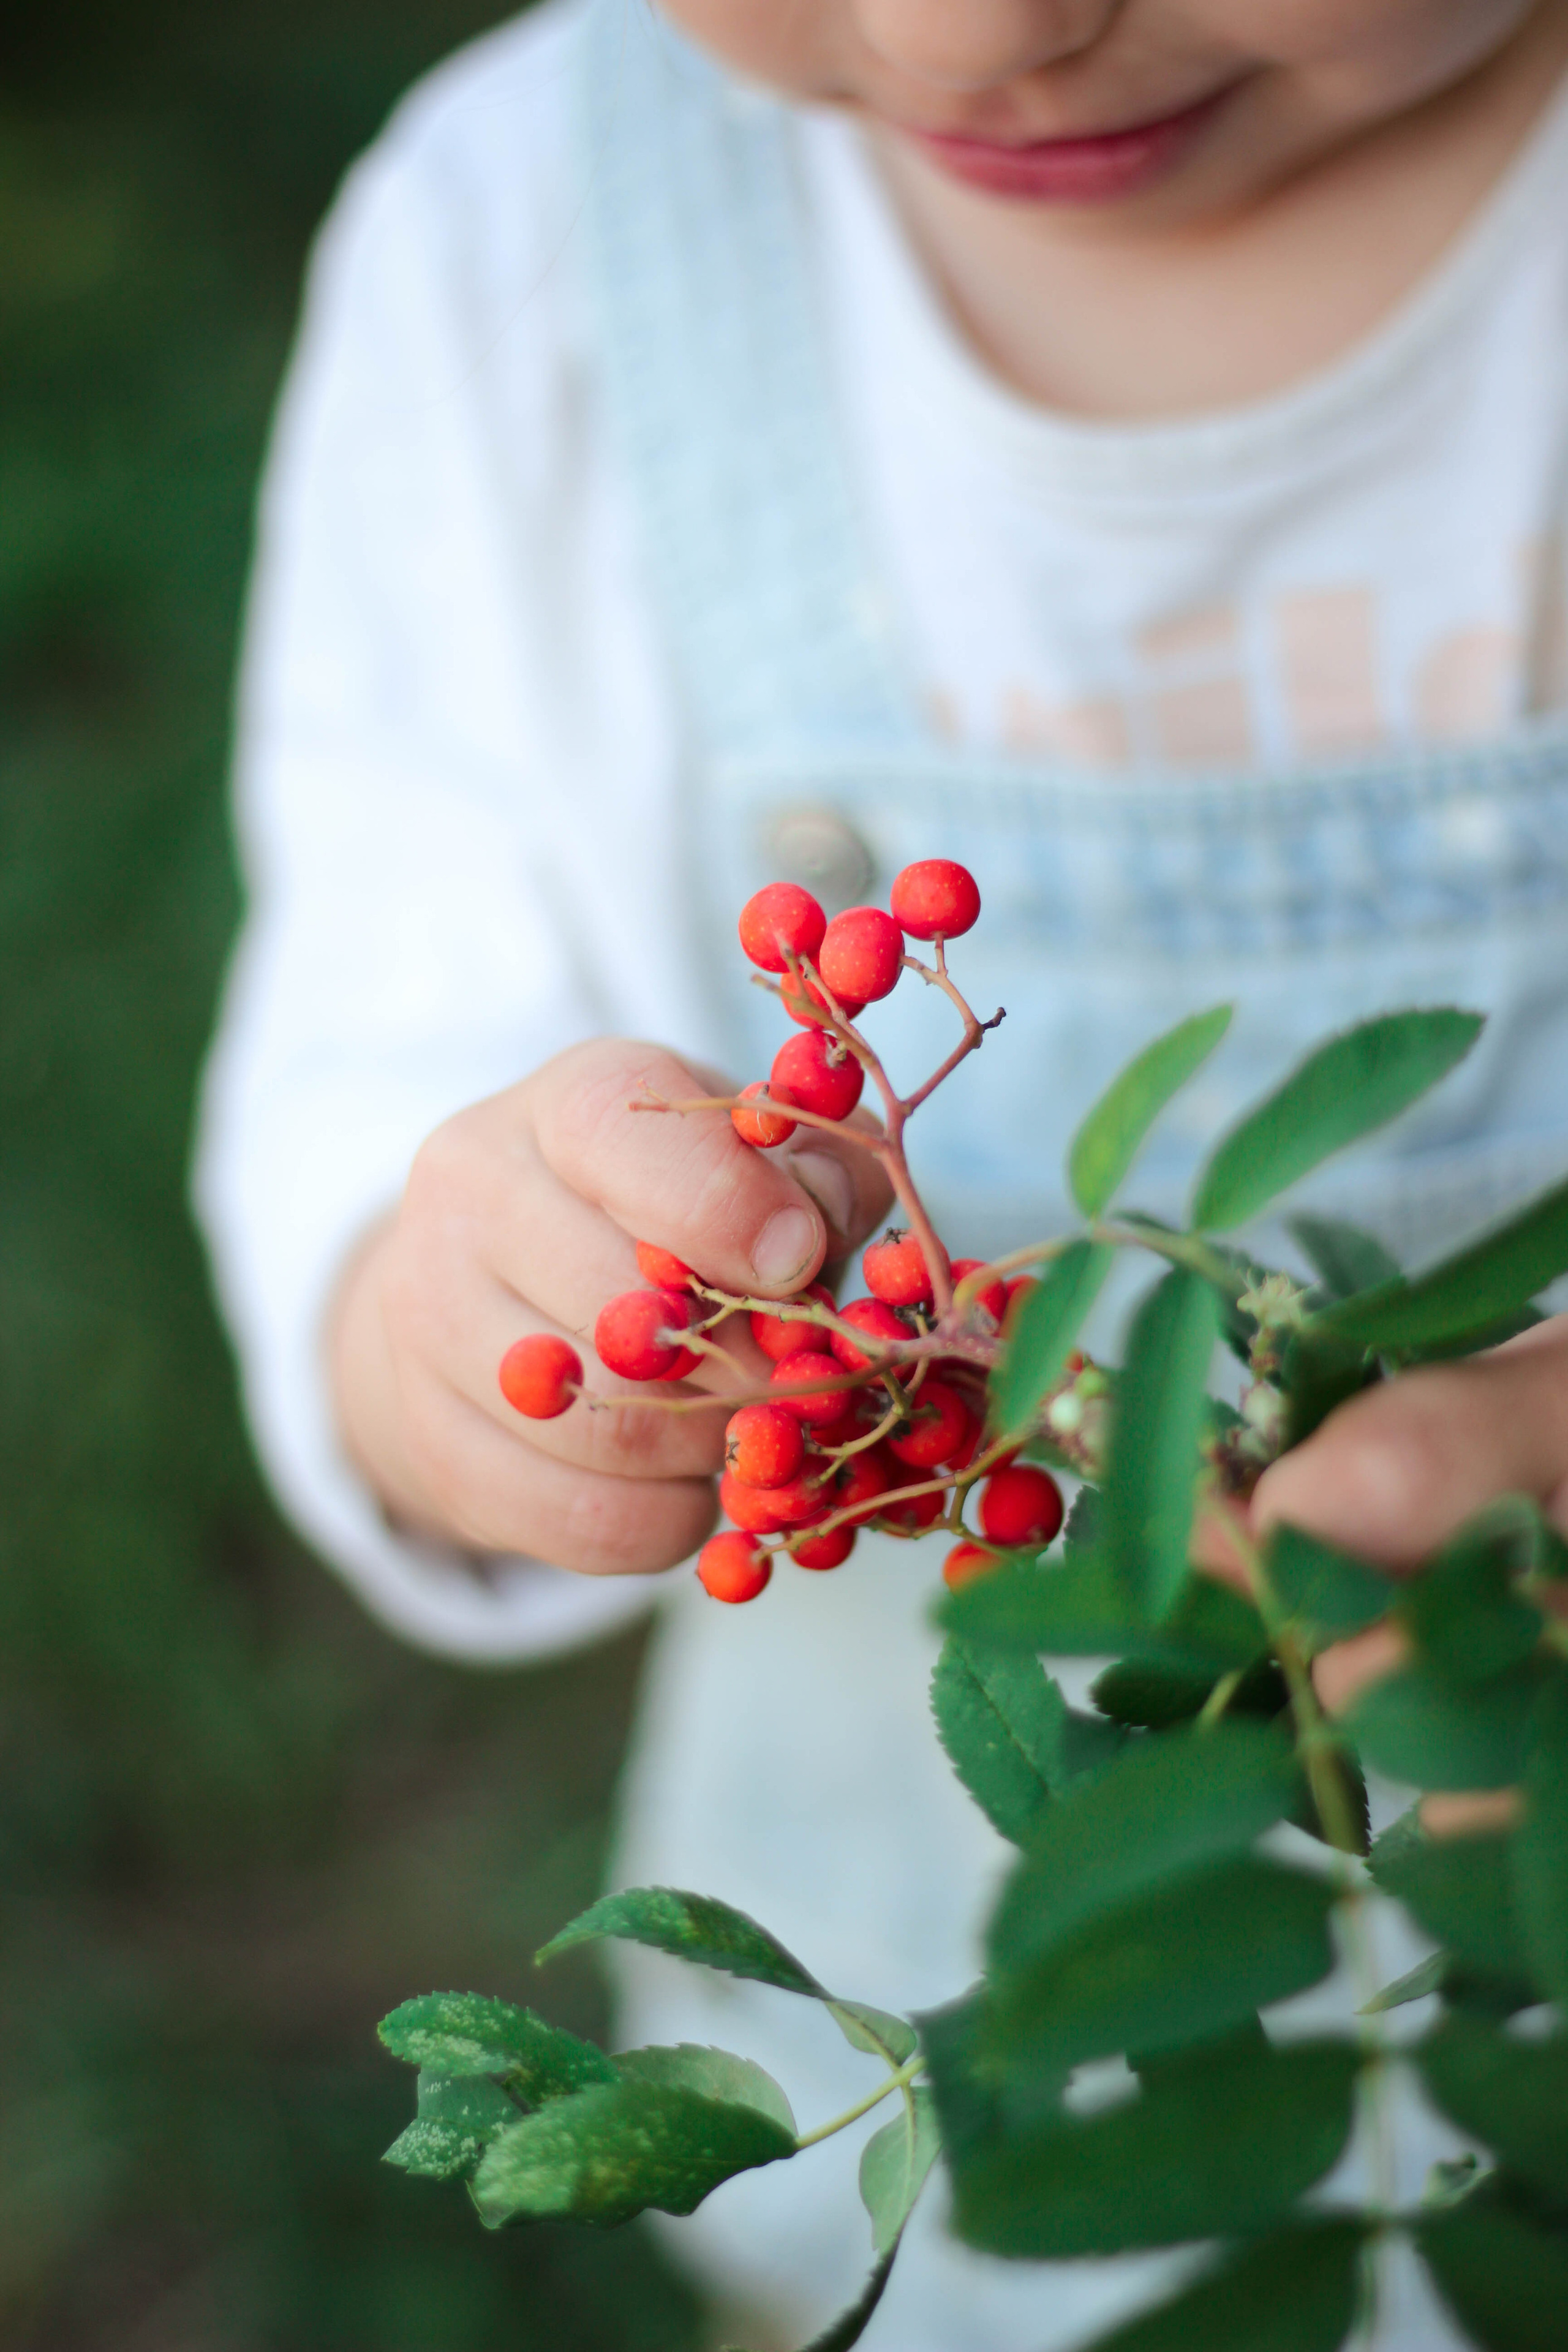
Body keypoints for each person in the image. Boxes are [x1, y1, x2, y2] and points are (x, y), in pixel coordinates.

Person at [196, 1, 1568, 2342]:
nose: (977, 28)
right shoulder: (528, 248)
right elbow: (361, 1101)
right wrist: (473, 1323)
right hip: (966, 2062)